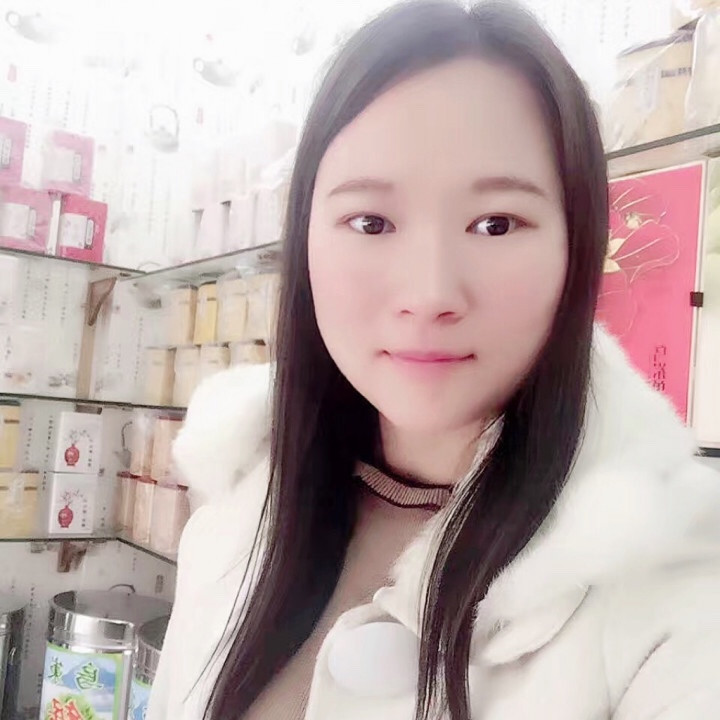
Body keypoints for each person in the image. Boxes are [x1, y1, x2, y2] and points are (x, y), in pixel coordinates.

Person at [147, 1, 720, 719]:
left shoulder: (682, 580)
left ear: (578, 246)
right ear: (304, 241)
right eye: (371, 222)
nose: (429, 295)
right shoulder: (231, 509)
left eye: (496, 223)